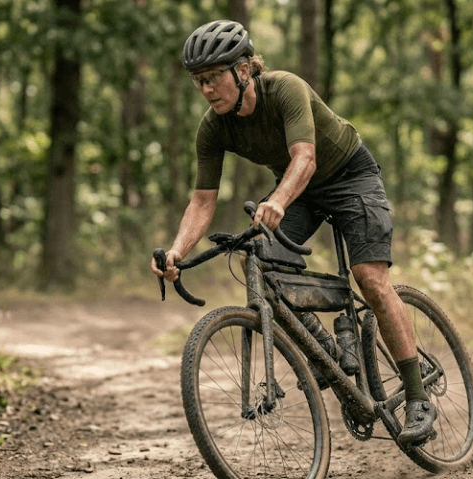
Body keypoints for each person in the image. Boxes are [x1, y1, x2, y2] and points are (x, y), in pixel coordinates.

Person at [151, 19, 435, 447]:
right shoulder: (213, 127)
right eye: (198, 81)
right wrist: (176, 251)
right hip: (299, 190)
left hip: (350, 177)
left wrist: (279, 201)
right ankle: (326, 352)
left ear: (243, 70)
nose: (206, 89)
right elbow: (202, 201)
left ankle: (417, 398)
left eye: (212, 78)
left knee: (370, 278)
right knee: (259, 258)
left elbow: (305, 157)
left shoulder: (285, 88)